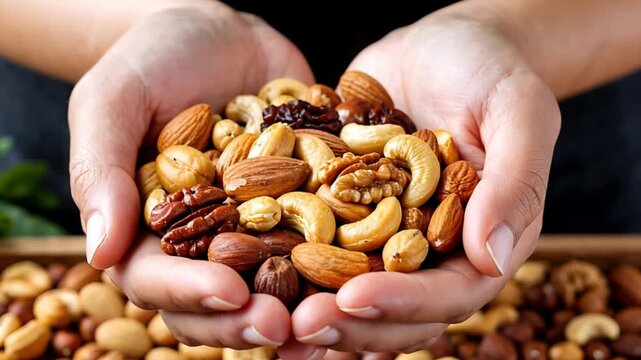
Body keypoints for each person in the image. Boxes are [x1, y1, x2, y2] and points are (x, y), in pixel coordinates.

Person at [1, 0, 640, 359]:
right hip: (101, 62)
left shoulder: (391, 180)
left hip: (547, 101)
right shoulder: (227, 164)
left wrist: (508, 32)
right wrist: (144, 27)